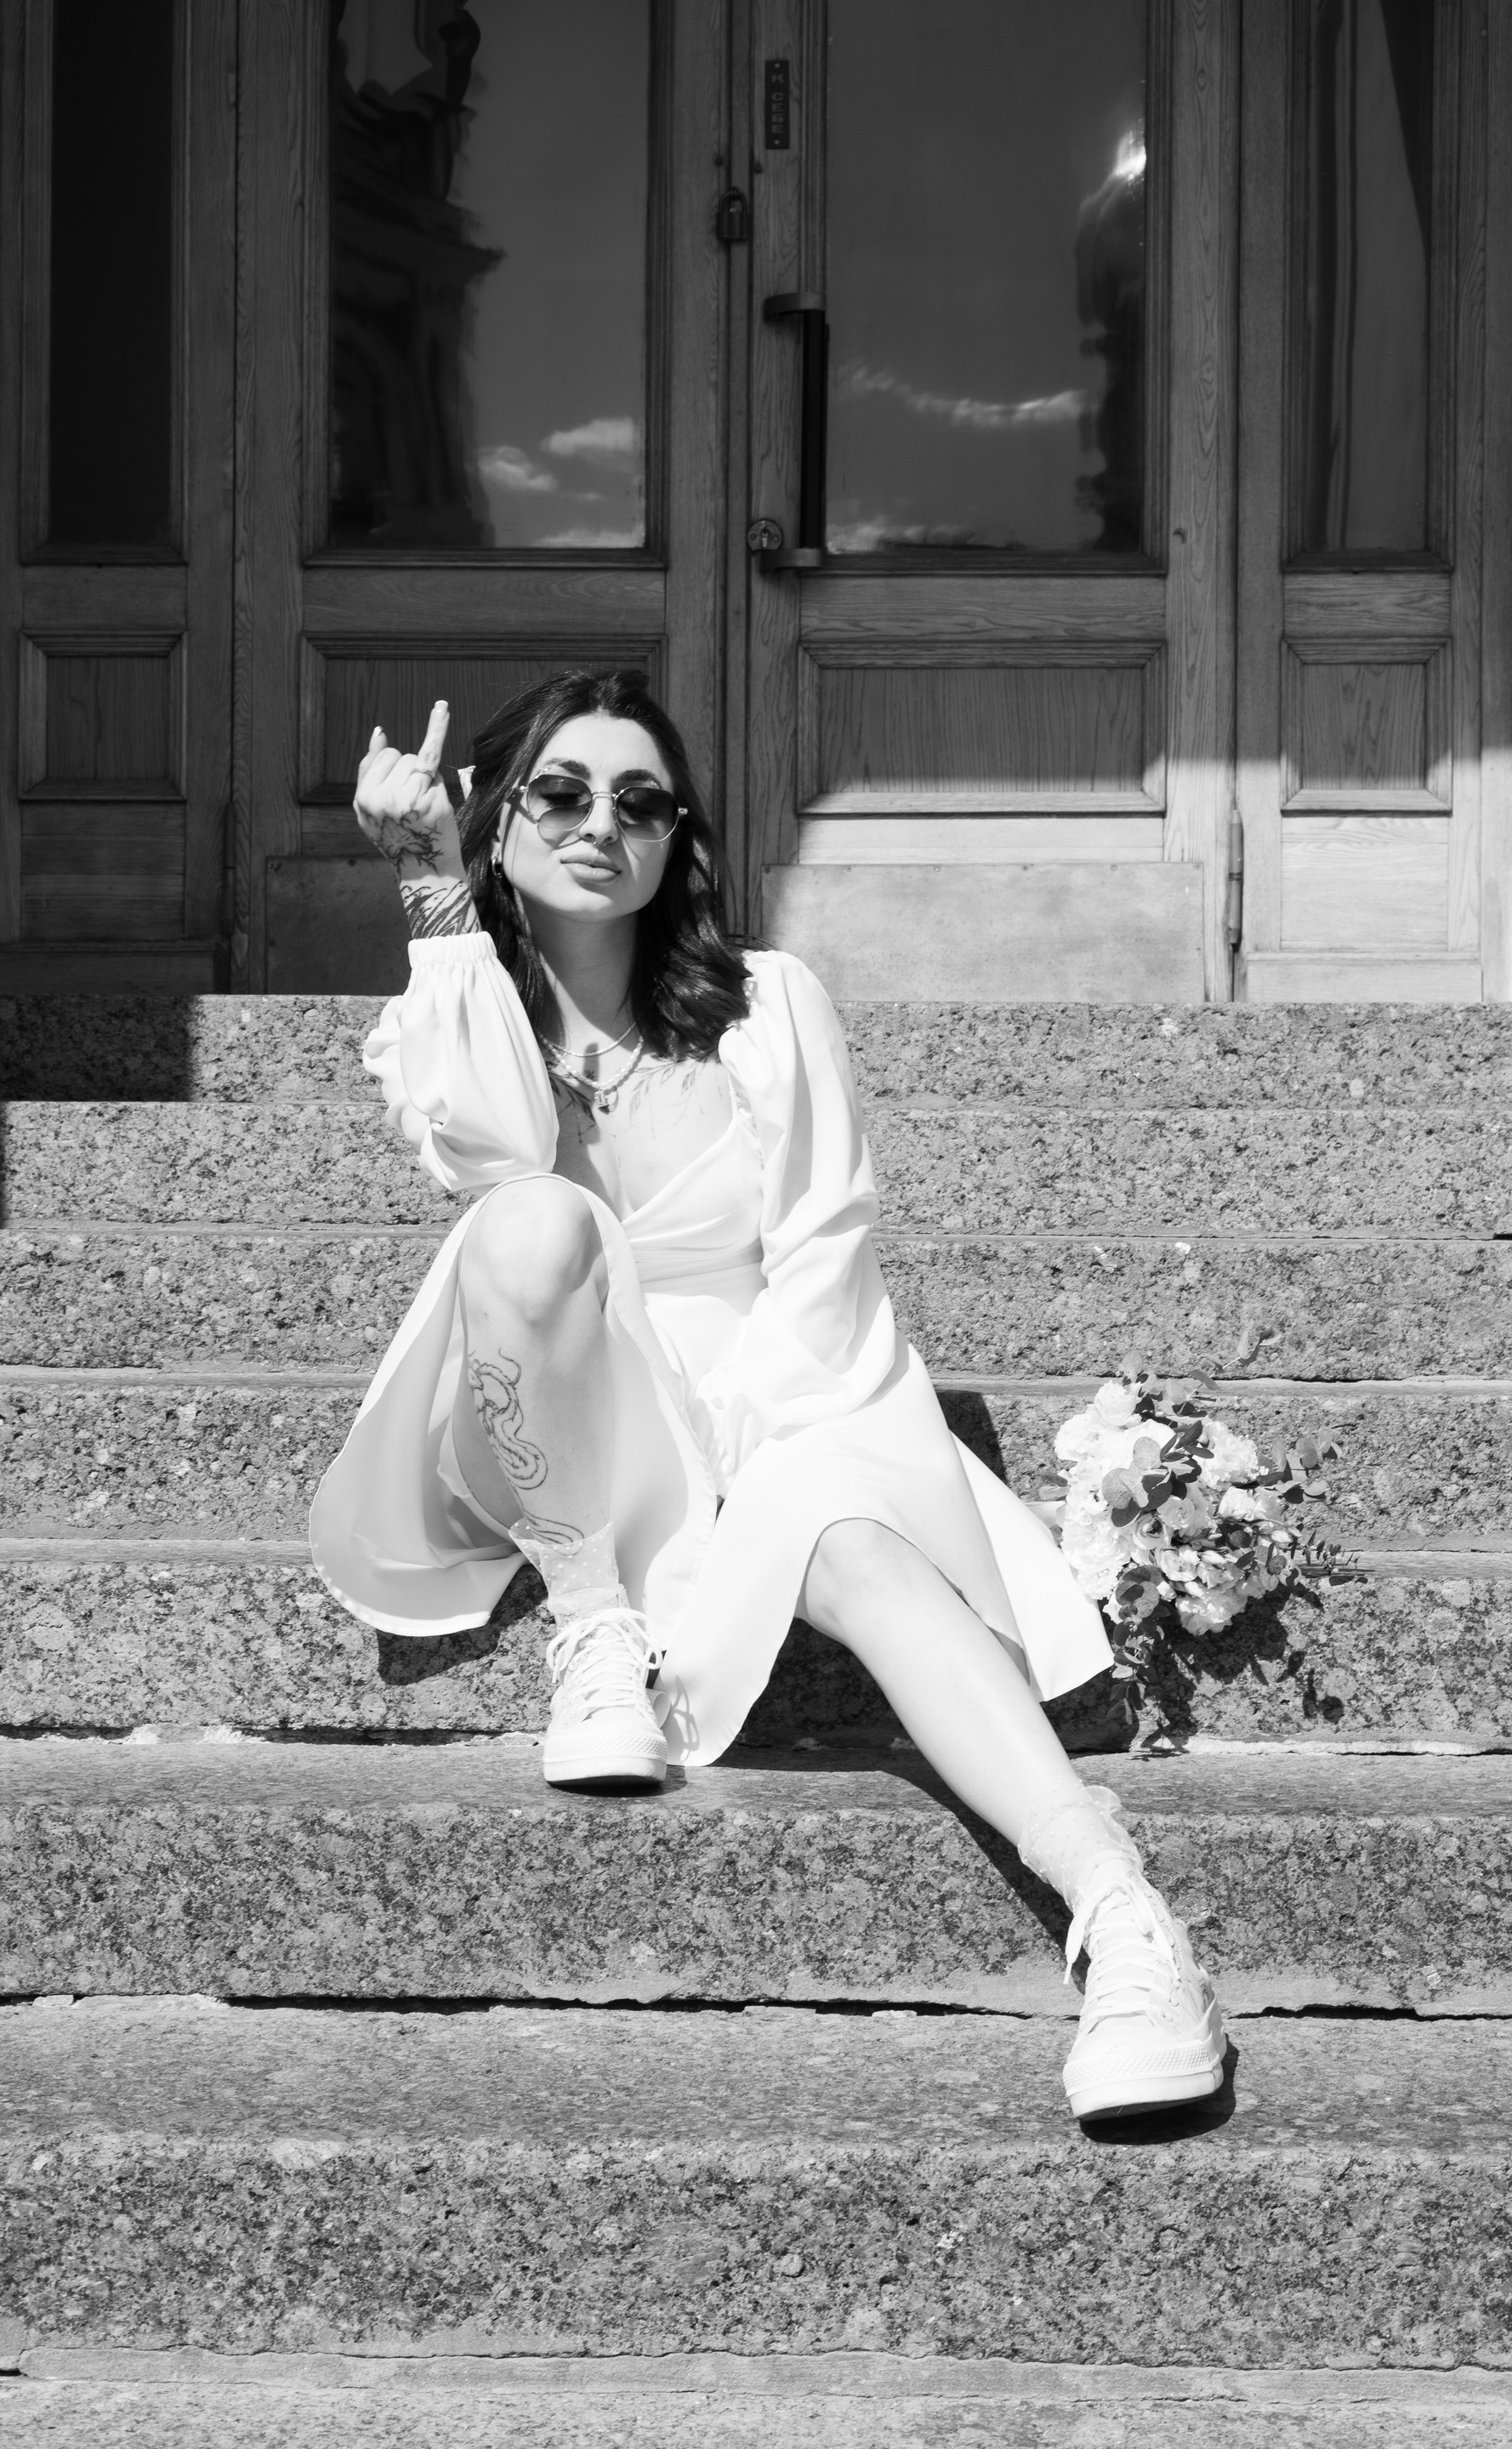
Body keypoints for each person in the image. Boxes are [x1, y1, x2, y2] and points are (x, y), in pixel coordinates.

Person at [310, 667, 1225, 2122]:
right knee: (532, 1222)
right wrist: (431, 890)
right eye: (560, 792)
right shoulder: (446, 1014)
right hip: (562, 1405)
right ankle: (595, 1625)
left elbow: (824, 1256)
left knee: (852, 1545)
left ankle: (1125, 1921)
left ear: (679, 839)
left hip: (789, 1389)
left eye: (642, 802)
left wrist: (755, 1481)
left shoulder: (769, 1003)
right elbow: (492, 1159)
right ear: (500, 818)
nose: (600, 825)